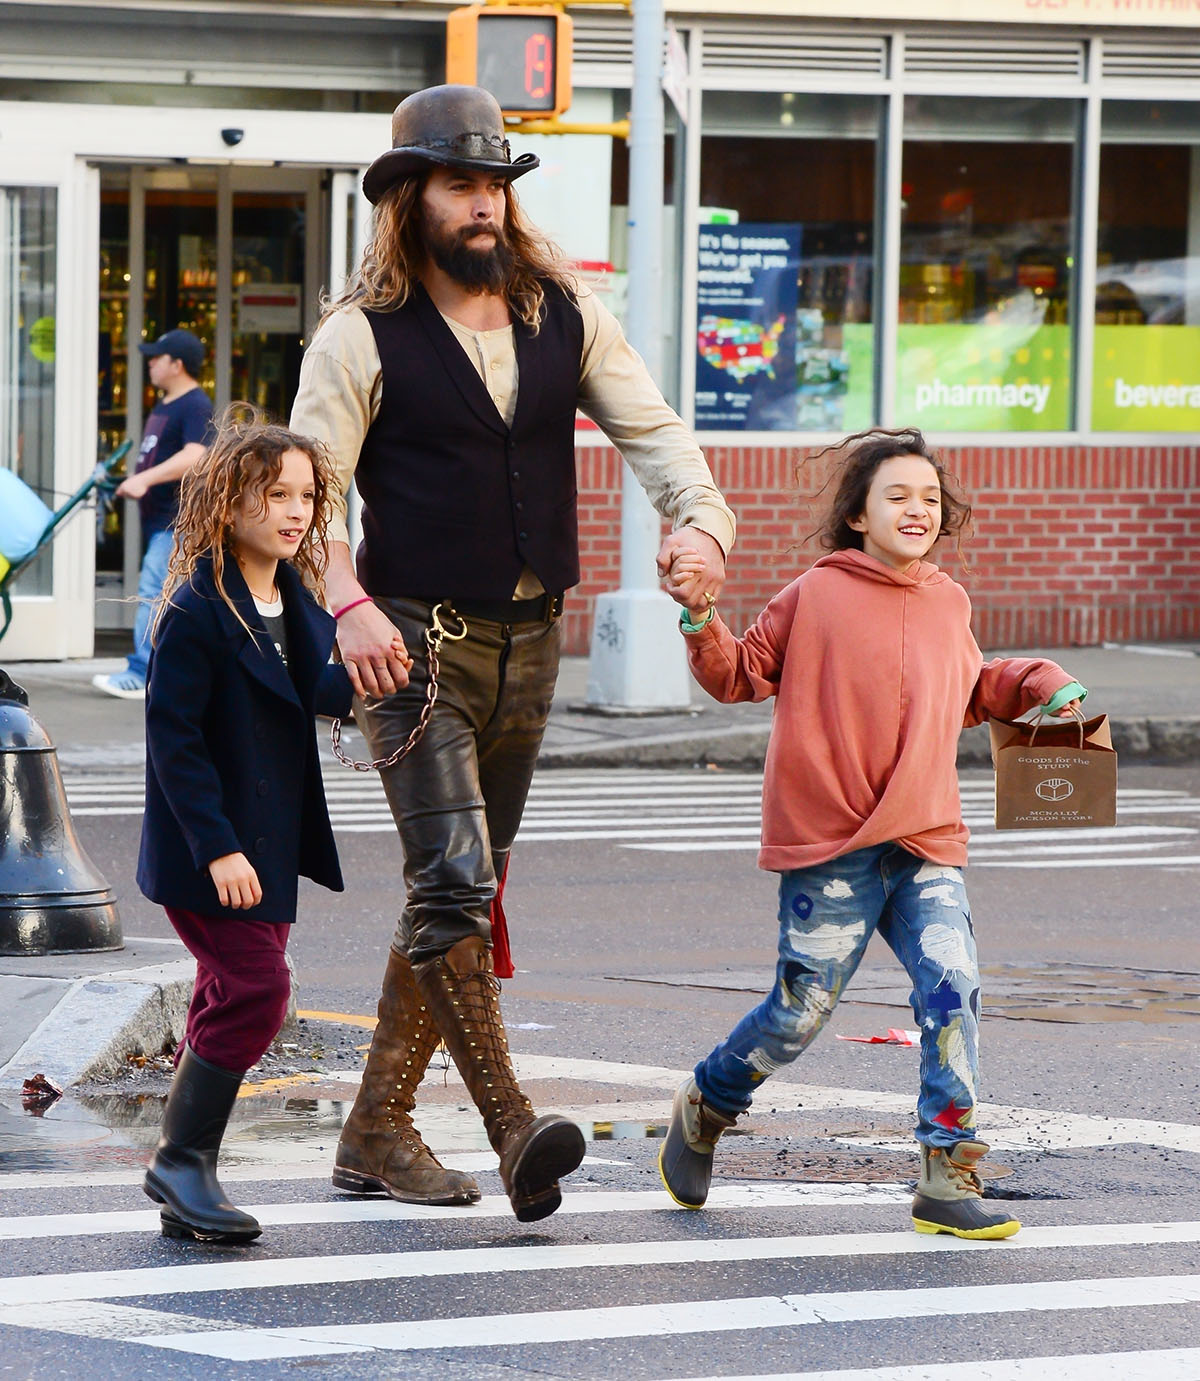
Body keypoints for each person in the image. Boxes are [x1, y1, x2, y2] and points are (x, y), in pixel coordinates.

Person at [289, 84, 735, 1223]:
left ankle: (375, 1131)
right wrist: (345, 602)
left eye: (494, 186)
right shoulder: (358, 336)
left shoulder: (564, 311)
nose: (482, 207)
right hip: (413, 650)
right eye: (459, 186)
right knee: (453, 884)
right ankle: (510, 1124)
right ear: (409, 201)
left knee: (462, 896)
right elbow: (306, 498)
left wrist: (702, 525)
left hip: (533, 643)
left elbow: (657, 430)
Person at [658, 427, 1087, 1241]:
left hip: (924, 834)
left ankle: (946, 1170)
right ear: (858, 514)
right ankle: (707, 1103)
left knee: (953, 990)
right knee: (800, 1011)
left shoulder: (948, 600)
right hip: (833, 840)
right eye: (898, 495)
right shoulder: (814, 594)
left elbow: (968, 689)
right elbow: (740, 673)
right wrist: (701, 617)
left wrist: (1038, 681)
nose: (917, 509)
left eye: (929, 497)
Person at [136, 414, 355, 1244]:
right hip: (214, 853)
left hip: (267, 845)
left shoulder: (290, 596)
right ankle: (182, 1160)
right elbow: (174, 741)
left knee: (230, 989)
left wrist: (378, 682)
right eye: (275, 495)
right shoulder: (199, 607)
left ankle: (182, 1168)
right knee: (259, 991)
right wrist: (218, 845)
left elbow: (311, 687)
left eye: (305, 495)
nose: (294, 511)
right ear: (230, 504)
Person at [93, 328, 213, 700]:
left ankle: (141, 671)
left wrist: (144, 479)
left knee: (152, 591)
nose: (150, 364)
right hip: (159, 519)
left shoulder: (194, 404)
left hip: (176, 520)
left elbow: (197, 455)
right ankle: (172, 672)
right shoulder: (165, 405)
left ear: (177, 364)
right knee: (172, 595)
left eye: (156, 358)